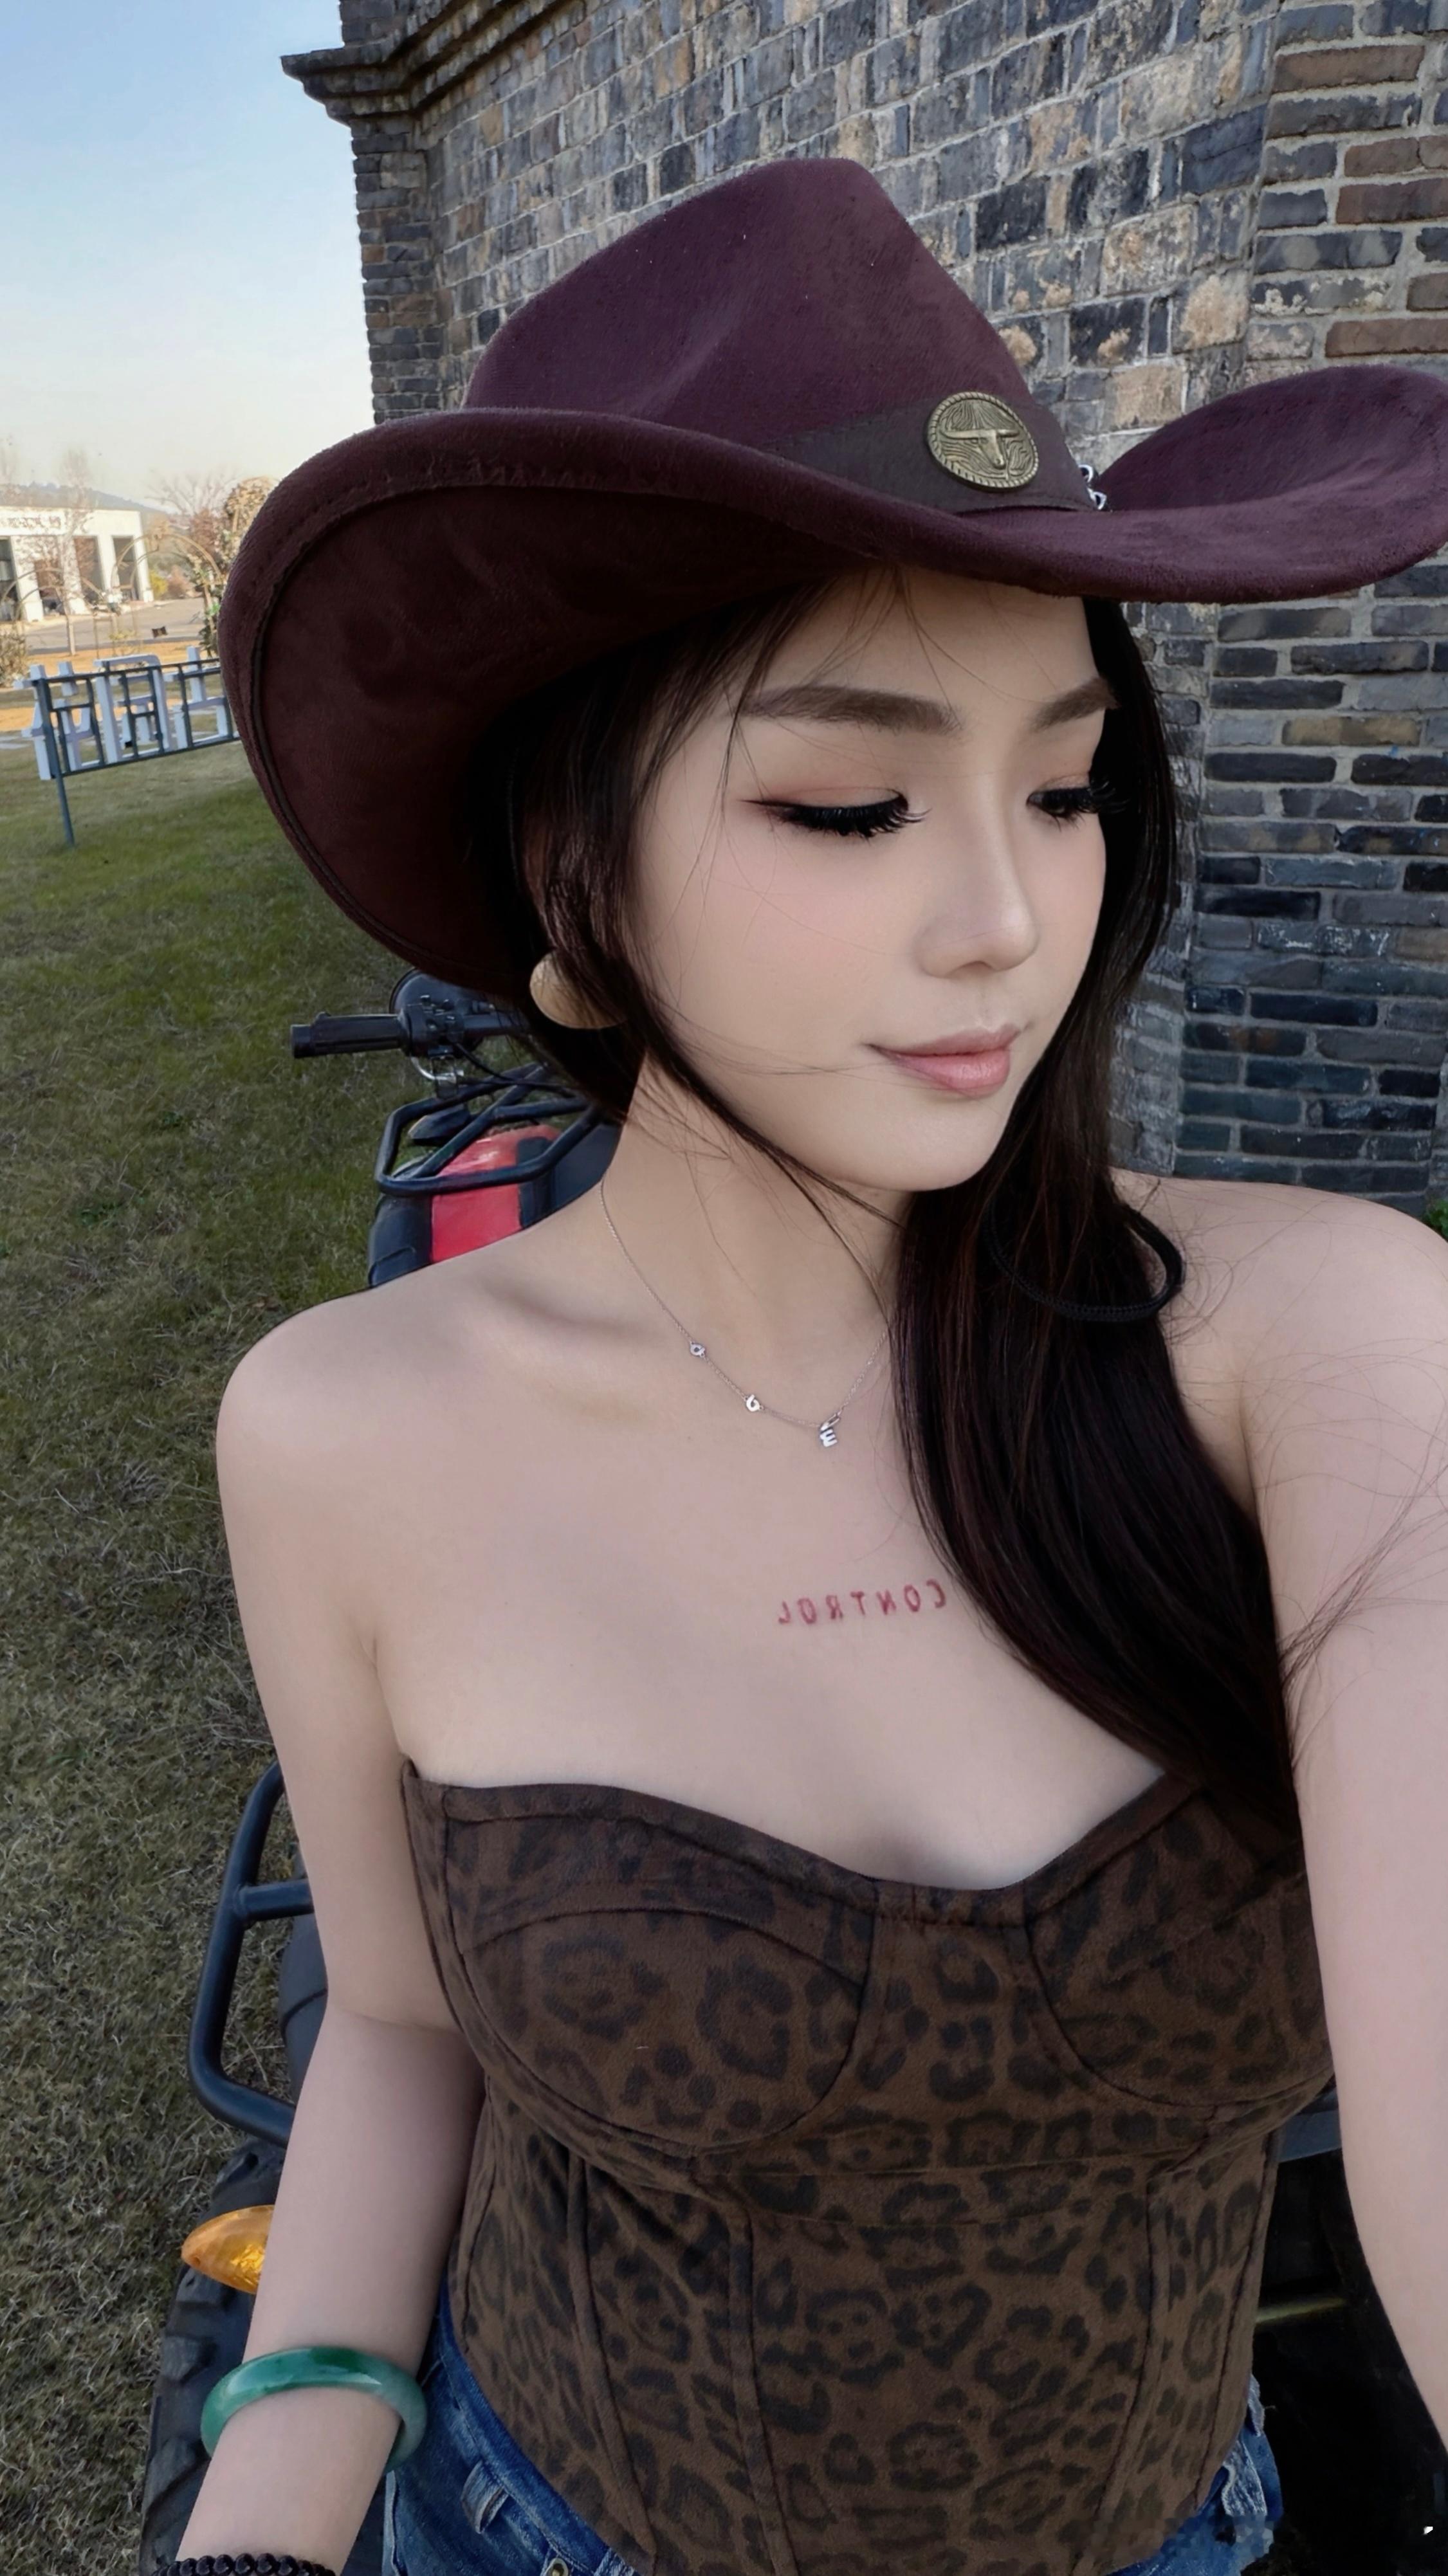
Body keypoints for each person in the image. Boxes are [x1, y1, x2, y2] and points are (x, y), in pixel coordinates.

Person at [169, 157, 1448, 2576]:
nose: (1009, 918)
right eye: (849, 802)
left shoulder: (1317, 1346)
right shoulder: (345, 1435)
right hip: (532, 2519)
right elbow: (406, 2026)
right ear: (568, 883)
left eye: (1063, 785)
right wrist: (280, 2484)